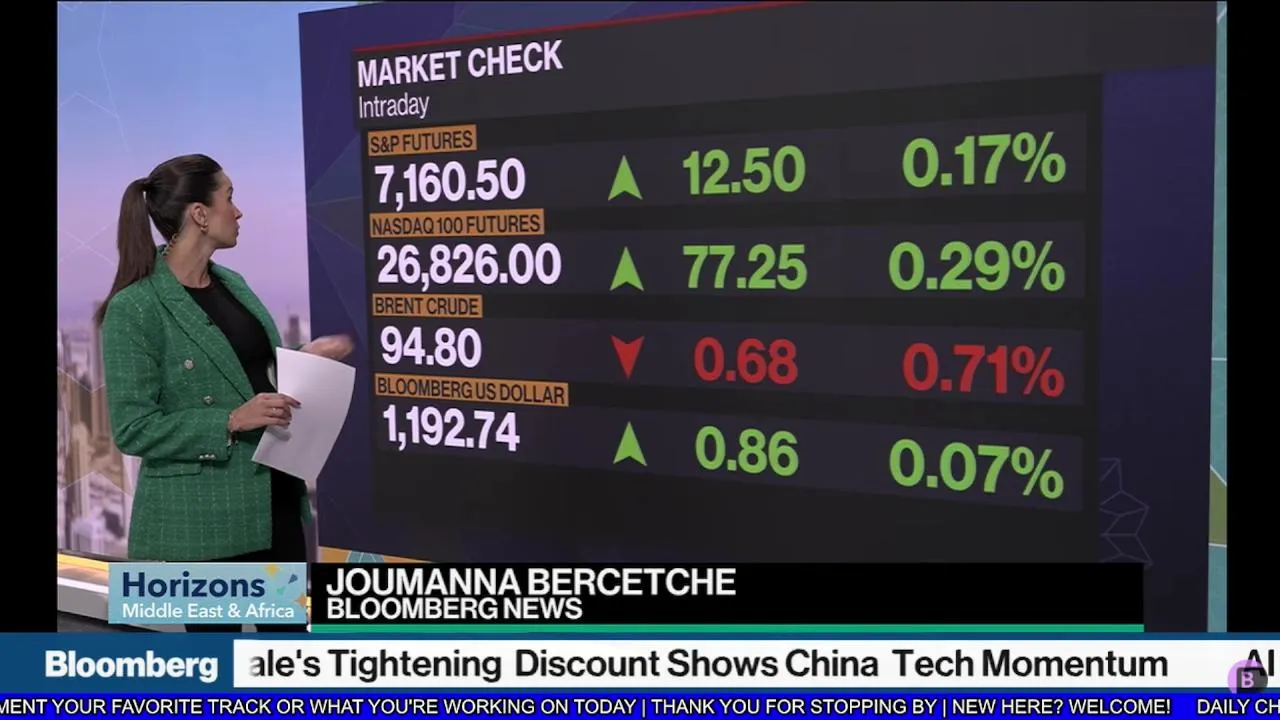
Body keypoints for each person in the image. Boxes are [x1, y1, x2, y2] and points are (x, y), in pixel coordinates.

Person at [97, 154, 354, 633]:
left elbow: (250, 376)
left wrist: (305, 357)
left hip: (274, 499)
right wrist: (230, 421)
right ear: (199, 213)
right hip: (205, 520)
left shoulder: (233, 284)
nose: (238, 212)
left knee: (286, 655)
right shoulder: (136, 308)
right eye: (229, 198)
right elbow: (134, 429)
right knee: (219, 664)